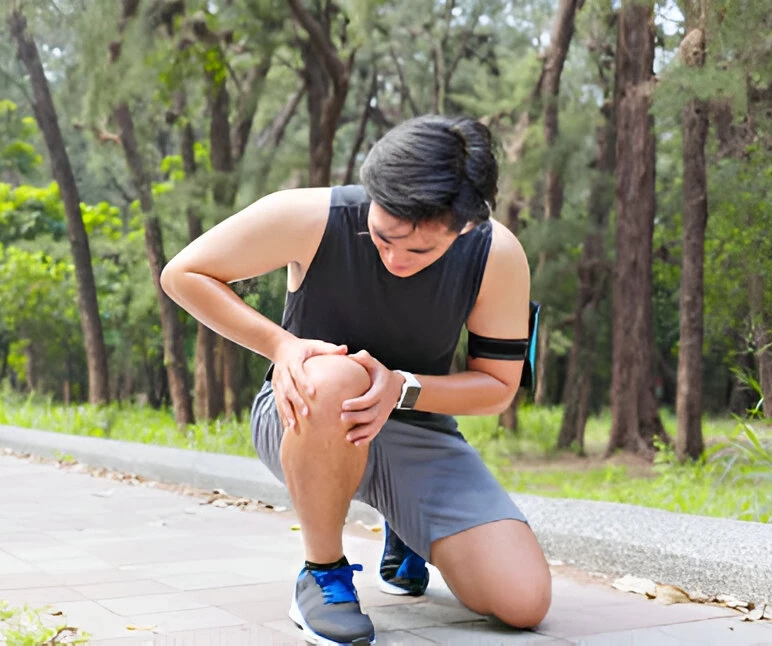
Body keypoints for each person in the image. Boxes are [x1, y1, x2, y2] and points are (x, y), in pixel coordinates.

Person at [161, 114, 551, 646]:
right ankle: (323, 575)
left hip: (419, 427)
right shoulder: (312, 216)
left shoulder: (494, 255)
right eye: (384, 236)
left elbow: (497, 387)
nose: (395, 258)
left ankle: (404, 530)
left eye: (421, 251)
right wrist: (283, 345)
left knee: (522, 602)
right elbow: (183, 274)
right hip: (306, 411)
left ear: (465, 227)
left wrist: (401, 388)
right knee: (338, 377)